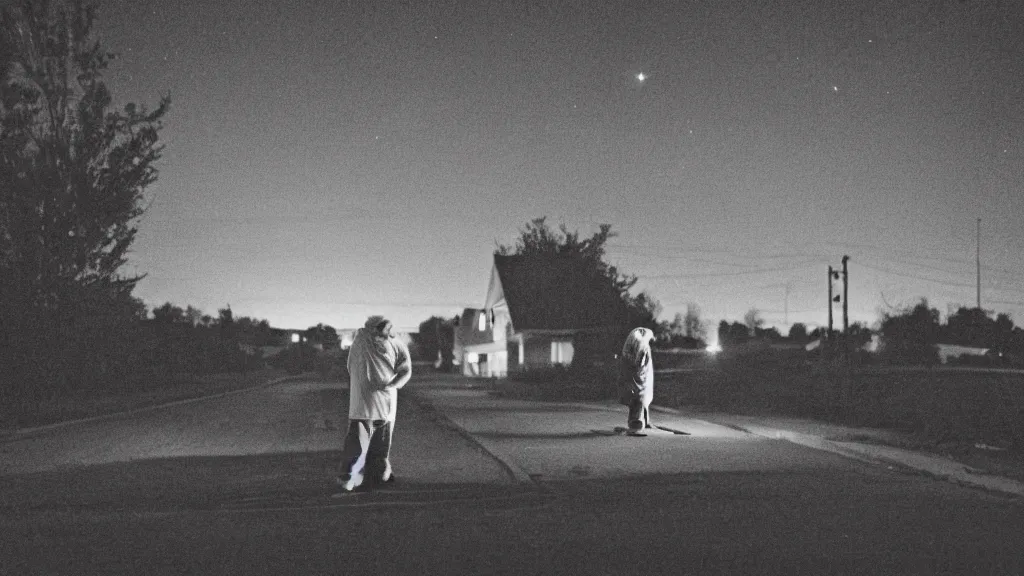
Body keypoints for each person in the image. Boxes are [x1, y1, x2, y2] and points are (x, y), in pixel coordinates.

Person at [336, 315, 412, 491]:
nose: (386, 332)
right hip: (364, 403)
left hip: (385, 405)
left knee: (380, 445)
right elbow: (352, 366)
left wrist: (393, 384)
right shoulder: (362, 341)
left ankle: (377, 475)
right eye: (382, 328)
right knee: (357, 442)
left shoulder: (395, 343)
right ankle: (348, 477)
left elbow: (405, 369)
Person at [618, 327, 656, 436]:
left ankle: (644, 421)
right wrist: (641, 374)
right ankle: (636, 424)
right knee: (639, 398)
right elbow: (639, 363)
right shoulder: (642, 346)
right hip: (639, 378)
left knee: (639, 398)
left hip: (634, 376)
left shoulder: (633, 344)